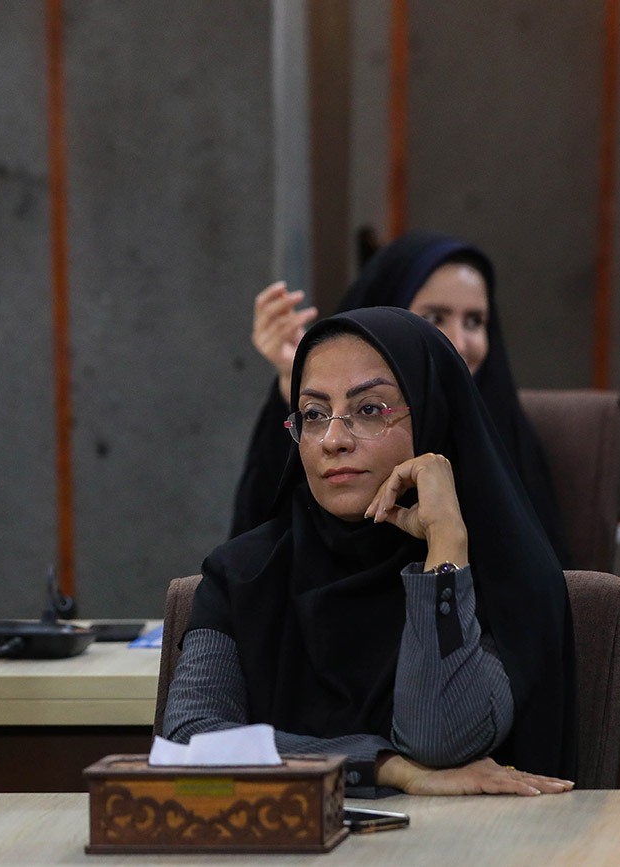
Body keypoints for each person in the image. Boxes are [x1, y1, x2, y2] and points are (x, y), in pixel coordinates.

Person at [166, 307, 577, 797]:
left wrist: (445, 544)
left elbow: (440, 740)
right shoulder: (243, 574)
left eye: (369, 410)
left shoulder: (500, 576)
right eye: (314, 415)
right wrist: (385, 767)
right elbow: (190, 743)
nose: (333, 440)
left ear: (432, 414)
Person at [230, 233, 570, 568]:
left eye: (474, 321)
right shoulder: (242, 570)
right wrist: (301, 383)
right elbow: (262, 539)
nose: (458, 342)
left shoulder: (507, 432)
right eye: (435, 318)